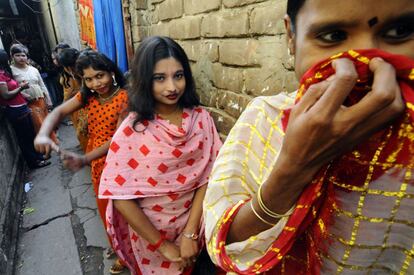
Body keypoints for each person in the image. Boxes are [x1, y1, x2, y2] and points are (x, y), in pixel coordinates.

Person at [204, 0, 414, 274]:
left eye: (400, 31)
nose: (365, 61)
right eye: (333, 36)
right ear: (291, 37)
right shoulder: (264, 118)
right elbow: (222, 238)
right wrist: (294, 167)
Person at [98, 36, 222, 275]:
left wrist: (190, 233)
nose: (172, 87)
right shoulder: (132, 130)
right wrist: (163, 246)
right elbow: (120, 196)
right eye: (159, 78)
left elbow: (208, 177)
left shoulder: (200, 119)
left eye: (178, 75)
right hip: (152, 240)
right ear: (144, 80)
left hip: (199, 229)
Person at [33, 50, 128, 274]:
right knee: (105, 211)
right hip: (97, 164)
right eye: (89, 79)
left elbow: (117, 140)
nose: (97, 83)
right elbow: (59, 111)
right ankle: (117, 245)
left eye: (100, 75)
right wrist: (44, 132)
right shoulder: (87, 96)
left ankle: (126, 255)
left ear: (111, 71)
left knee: (123, 212)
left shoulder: (125, 97)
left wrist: (84, 158)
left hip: (120, 164)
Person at [0, 49, 50, 168]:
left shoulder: (5, 72)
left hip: (21, 106)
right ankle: (34, 162)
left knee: (30, 134)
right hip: (15, 109)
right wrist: (21, 88)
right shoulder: (1, 75)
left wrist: (21, 93)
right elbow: (5, 95)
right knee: (25, 138)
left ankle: (37, 156)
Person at [10, 44, 57, 144]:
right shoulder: (11, 71)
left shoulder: (33, 69)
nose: (21, 58)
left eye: (23, 55)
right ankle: (43, 148)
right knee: (38, 124)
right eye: (17, 55)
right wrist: (22, 94)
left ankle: (49, 146)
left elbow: (42, 85)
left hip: (40, 100)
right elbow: (12, 87)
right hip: (27, 102)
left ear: (27, 56)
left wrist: (48, 99)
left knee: (45, 124)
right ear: (12, 56)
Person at [57, 48, 88, 152]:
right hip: (77, 104)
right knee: (81, 131)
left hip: (87, 104)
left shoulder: (86, 68)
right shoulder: (68, 73)